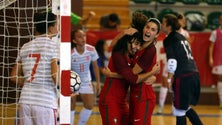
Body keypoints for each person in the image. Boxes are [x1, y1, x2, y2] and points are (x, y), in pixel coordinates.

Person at [99, 31, 160, 125]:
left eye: (139, 45)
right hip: (110, 101)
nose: (137, 47)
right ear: (127, 41)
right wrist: (152, 72)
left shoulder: (133, 57)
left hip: (122, 102)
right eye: (135, 43)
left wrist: (153, 77)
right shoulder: (118, 54)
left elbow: (132, 74)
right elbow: (133, 78)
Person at [10, 11, 59, 125]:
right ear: (51, 28)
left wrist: (32, 81)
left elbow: (13, 77)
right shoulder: (54, 46)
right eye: (57, 24)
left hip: (25, 101)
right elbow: (54, 75)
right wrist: (66, 90)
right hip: (45, 102)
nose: (58, 27)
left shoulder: (25, 46)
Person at [161, 14, 203, 125]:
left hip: (184, 76)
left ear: (169, 26)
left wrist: (169, 80)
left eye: (163, 22)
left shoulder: (169, 39)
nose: (161, 25)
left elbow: (172, 61)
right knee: (184, 107)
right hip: (194, 74)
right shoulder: (181, 36)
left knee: (178, 110)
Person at [157, 13, 192, 114]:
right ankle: (160, 107)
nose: (183, 22)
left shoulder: (185, 33)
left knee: (177, 84)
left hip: (181, 63)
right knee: (165, 83)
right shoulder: (171, 33)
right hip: (171, 60)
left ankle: (176, 107)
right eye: (182, 20)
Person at [70, 29, 101, 125]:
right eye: (79, 36)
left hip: (86, 81)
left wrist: (98, 83)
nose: (83, 38)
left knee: (89, 105)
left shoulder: (91, 49)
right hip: (72, 81)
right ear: (74, 41)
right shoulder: (70, 53)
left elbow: (95, 67)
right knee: (71, 106)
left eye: (84, 35)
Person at [209, 13, 222, 109]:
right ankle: (221, 100)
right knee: (220, 79)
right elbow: (211, 47)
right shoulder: (215, 33)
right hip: (218, 59)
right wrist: (211, 58)